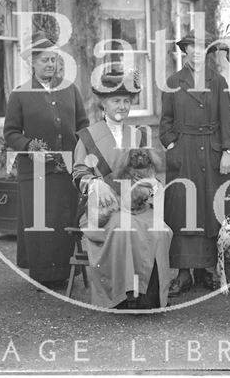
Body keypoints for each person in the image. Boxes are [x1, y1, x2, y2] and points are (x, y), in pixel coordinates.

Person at [72, 65, 173, 309]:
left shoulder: (137, 135)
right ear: (103, 104)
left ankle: (148, 297)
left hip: (135, 204)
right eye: (116, 100)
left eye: (126, 101)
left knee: (159, 227)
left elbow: (150, 172)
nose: (122, 106)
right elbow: (78, 173)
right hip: (103, 209)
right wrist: (96, 183)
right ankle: (124, 296)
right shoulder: (87, 136)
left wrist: (153, 186)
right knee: (122, 227)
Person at [4, 31, 89, 285]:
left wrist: (82, 156)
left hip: (65, 171)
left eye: (53, 60)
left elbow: (82, 125)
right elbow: (10, 132)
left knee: (63, 221)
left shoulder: (69, 89)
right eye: (45, 60)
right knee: (41, 225)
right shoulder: (19, 95)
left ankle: (63, 273)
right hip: (35, 174)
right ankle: (42, 277)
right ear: (32, 62)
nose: (50, 65)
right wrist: (30, 146)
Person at [159, 30, 230, 297]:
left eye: (201, 47)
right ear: (185, 51)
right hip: (184, 153)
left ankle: (207, 270)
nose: (195, 51)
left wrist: (227, 150)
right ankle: (183, 273)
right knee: (182, 209)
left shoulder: (218, 82)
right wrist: (173, 147)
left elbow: (226, 120)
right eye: (190, 47)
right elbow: (165, 123)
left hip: (210, 153)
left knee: (208, 208)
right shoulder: (172, 81)